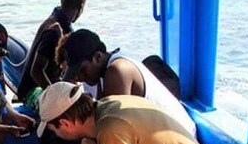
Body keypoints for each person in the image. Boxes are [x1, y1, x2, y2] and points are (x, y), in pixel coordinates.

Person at [35, 81, 216, 144]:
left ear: (65, 123)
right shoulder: (110, 103)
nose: (57, 136)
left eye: (54, 130)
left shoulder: (111, 131)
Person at [56, 28, 197, 137]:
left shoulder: (118, 71)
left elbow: (111, 128)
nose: (79, 78)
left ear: (98, 57)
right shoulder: (100, 73)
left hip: (182, 138)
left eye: (82, 70)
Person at [17, 0, 89, 108]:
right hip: (32, 91)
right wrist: (55, 95)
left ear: (62, 0)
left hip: (50, 85)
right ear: (81, 6)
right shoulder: (55, 31)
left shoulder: (58, 22)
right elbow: (36, 70)